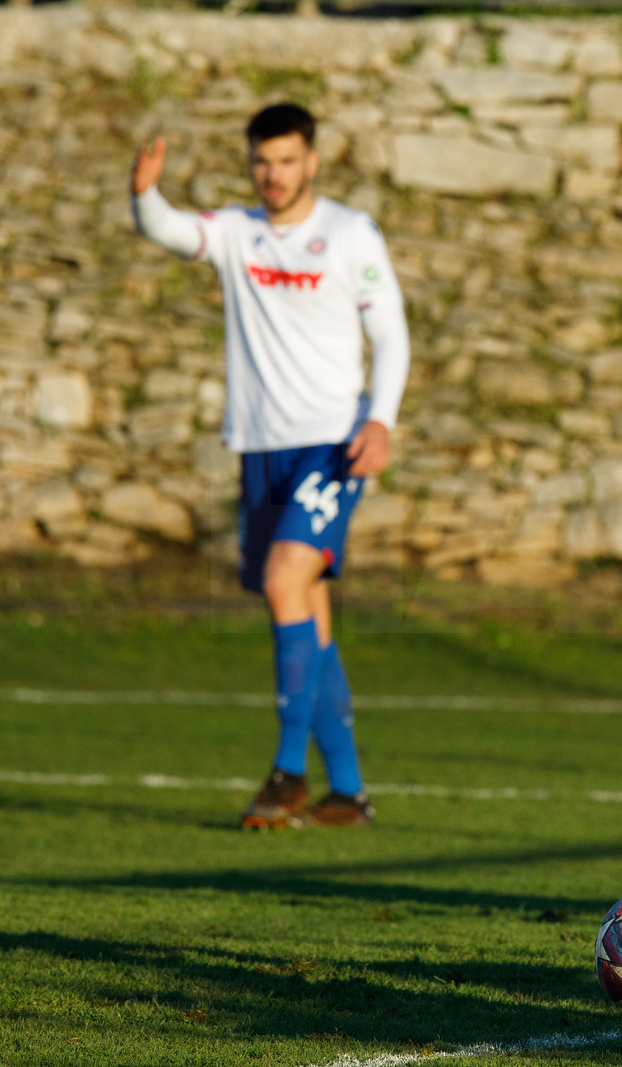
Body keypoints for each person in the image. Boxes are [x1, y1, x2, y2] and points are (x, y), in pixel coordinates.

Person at [130, 103, 410, 830]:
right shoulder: (237, 231)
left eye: (287, 160)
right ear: (250, 163)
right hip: (261, 447)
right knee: (304, 607)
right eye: (262, 161)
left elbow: (391, 333)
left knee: (288, 576)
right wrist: (145, 194)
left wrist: (380, 418)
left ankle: (288, 773)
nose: (274, 174)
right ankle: (346, 791)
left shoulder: (350, 233)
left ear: (312, 160)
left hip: (332, 442)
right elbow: (168, 229)